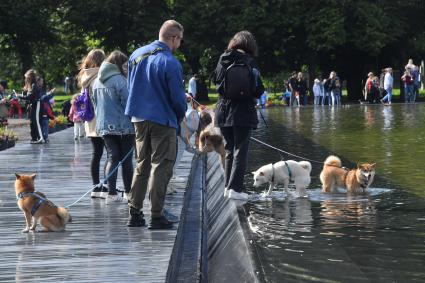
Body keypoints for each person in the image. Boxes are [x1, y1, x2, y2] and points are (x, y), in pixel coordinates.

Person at [126, 20, 187, 228]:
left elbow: (131, 87)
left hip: (138, 118)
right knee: (161, 166)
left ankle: (134, 214)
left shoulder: (136, 55)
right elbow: (178, 99)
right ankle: (156, 215)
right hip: (163, 119)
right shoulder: (170, 62)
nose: (179, 45)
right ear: (173, 38)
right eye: (179, 40)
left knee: (141, 165)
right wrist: (180, 116)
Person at [212, 30, 264, 200]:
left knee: (229, 149)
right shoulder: (250, 62)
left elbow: (215, 81)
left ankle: (228, 187)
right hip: (243, 111)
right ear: (250, 45)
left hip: (223, 111)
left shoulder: (223, 59)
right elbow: (258, 89)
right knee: (240, 150)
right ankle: (236, 189)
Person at [92, 50, 134, 204]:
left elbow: (95, 103)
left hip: (105, 127)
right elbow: (128, 103)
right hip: (124, 126)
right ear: (117, 64)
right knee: (127, 160)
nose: (126, 68)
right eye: (124, 65)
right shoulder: (120, 81)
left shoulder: (97, 81)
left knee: (112, 158)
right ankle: (129, 193)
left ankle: (111, 193)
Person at [76, 49, 109, 198]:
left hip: (90, 121)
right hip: (104, 119)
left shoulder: (85, 76)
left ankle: (95, 187)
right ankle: (108, 184)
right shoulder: (102, 75)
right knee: (111, 154)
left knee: (96, 154)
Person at [21, 70, 44, 143]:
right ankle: (37, 137)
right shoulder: (33, 85)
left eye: (26, 77)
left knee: (36, 122)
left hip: (37, 104)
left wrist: (20, 96)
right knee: (34, 122)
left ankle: (41, 138)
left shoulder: (34, 85)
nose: (25, 79)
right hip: (34, 104)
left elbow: (29, 96)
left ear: (29, 77)